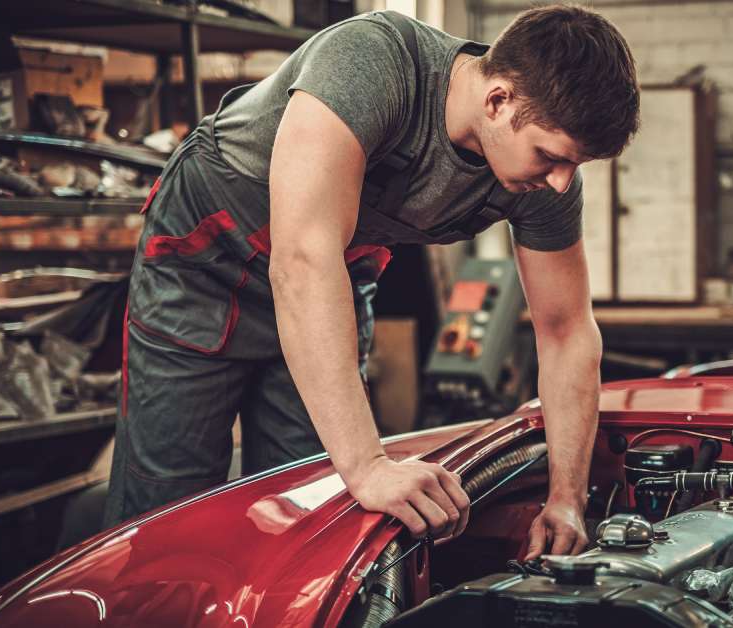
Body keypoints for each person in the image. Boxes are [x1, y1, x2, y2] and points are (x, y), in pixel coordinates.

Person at [104, 4, 639, 561]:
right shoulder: (373, 61)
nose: (560, 182)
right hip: (208, 261)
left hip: (333, 277)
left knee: (308, 508)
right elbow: (302, 260)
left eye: (573, 165)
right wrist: (368, 464)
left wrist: (567, 497)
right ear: (498, 99)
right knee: (169, 513)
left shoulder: (543, 183)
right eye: (550, 157)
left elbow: (568, 331)